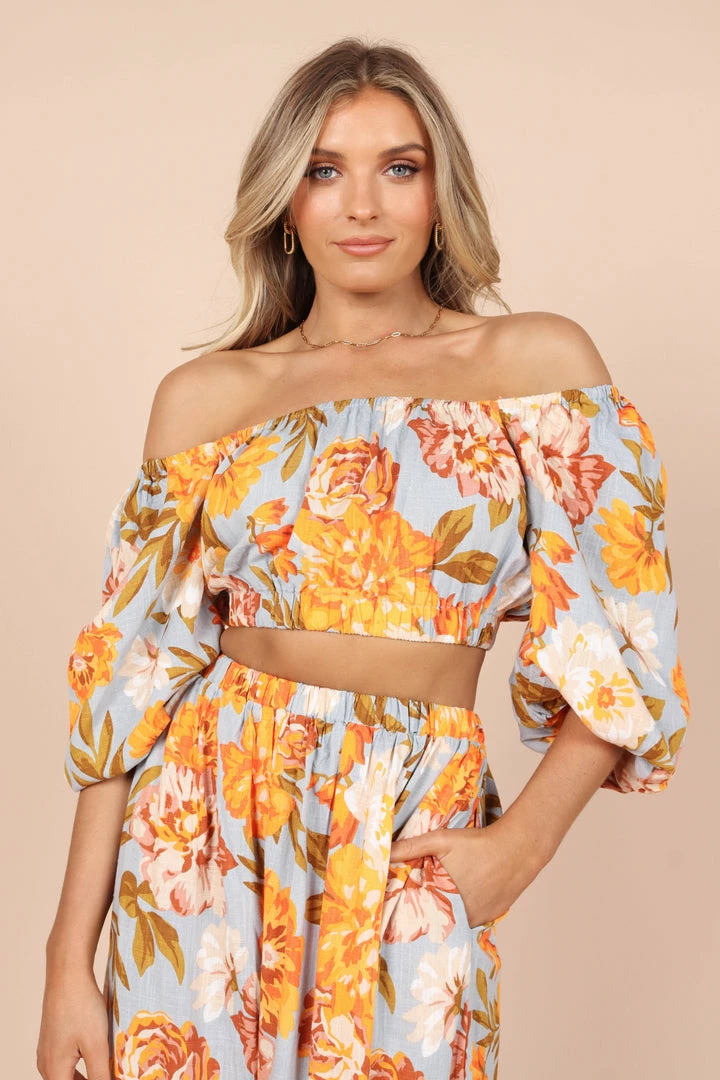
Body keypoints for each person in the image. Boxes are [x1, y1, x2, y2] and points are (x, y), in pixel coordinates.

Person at [37, 36, 690, 1080]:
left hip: (410, 819)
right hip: (203, 829)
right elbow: (128, 682)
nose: (362, 205)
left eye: (399, 166)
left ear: (440, 192)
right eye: (325, 170)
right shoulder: (208, 399)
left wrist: (520, 847)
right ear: (285, 203)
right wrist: (67, 962)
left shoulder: (537, 368)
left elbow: (626, 643)